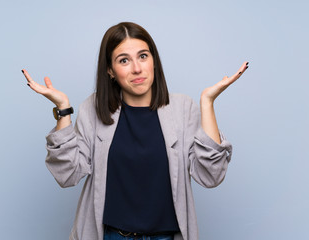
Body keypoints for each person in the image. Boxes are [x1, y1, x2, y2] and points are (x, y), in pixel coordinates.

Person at [22, 22, 248, 240]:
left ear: (154, 61)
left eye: (143, 56)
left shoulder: (182, 109)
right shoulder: (93, 109)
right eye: (124, 60)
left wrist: (207, 103)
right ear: (110, 70)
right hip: (111, 236)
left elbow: (211, 175)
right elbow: (67, 175)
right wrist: (63, 109)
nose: (137, 68)